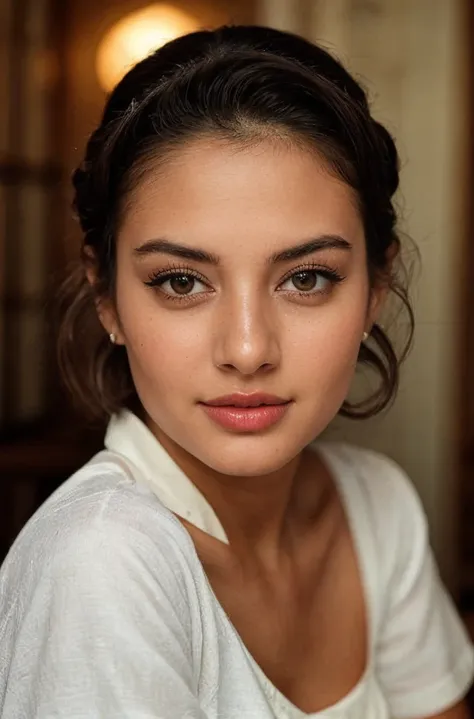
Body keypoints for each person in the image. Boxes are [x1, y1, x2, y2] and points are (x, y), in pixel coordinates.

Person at [0, 24, 472, 719]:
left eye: (306, 277)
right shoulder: (100, 561)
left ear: (376, 285)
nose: (248, 349)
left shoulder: (378, 507)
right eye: (182, 282)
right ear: (107, 296)